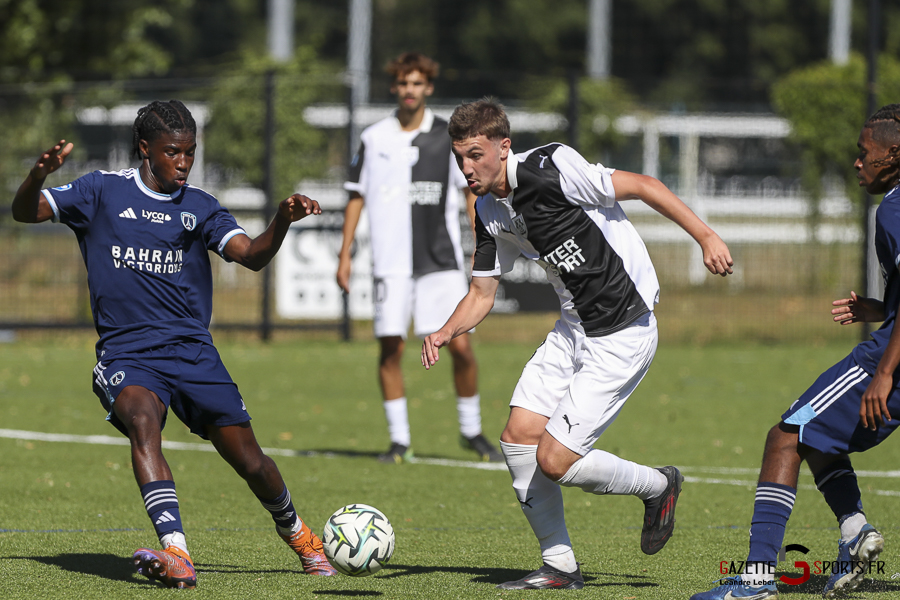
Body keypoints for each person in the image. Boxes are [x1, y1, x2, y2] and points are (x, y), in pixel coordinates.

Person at [11, 100, 338, 589]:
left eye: (189, 152)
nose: (183, 163)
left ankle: (298, 533)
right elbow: (25, 212)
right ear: (145, 149)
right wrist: (37, 175)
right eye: (173, 152)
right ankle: (177, 552)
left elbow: (249, 256)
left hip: (192, 353)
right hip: (127, 352)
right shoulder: (101, 191)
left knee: (250, 461)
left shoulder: (200, 206)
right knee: (143, 419)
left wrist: (282, 220)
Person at [421, 98, 734, 589]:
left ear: (504, 148)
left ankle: (657, 485)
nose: (466, 168)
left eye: (475, 155)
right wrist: (445, 331)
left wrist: (706, 237)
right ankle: (559, 567)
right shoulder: (486, 209)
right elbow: (482, 293)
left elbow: (645, 186)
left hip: (623, 330)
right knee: (518, 437)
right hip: (573, 329)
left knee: (555, 461)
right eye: (459, 157)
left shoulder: (553, 166)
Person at [691, 107, 900, 600]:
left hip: (890, 361)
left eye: (863, 150)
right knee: (817, 435)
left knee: (786, 436)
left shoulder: (894, 207)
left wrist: (886, 372)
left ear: (893, 154)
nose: (856, 161)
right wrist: (882, 307)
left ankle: (757, 579)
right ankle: (854, 534)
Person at [337, 53, 502, 464]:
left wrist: (481, 240)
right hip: (390, 263)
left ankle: (471, 431)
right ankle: (399, 441)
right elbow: (356, 195)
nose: (410, 90)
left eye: (417, 83)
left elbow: (469, 190)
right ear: (394, 87)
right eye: (403, 83)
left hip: (440, 259)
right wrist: (345, 253)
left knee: (461, 347)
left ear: (428, 87)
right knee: (390, 348)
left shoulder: (448, 138)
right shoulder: (374, 137)